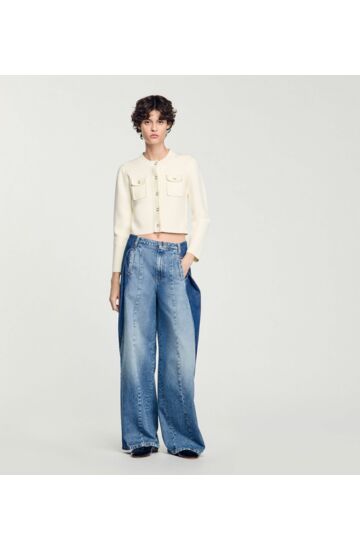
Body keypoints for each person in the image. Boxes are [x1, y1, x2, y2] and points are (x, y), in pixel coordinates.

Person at [109, 95, 210, 459]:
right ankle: (141, 437)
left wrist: (190, 256)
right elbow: (121, 226)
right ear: (139, 125)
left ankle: (183, 438)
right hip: (137, 258)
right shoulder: (128, 170)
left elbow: (202, 216)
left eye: (160, 121)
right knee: (135, 350)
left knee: (179, 351)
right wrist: (116, 275)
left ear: (168, 124)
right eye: (147, 121)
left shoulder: (186, 165)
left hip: (174, 259)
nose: (154, 127)